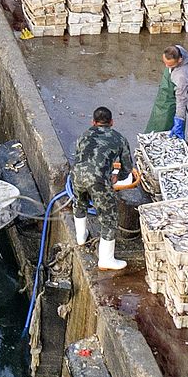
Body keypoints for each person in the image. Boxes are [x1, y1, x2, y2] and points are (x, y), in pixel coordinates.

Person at [70, 106, 133, 271]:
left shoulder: (83, 136)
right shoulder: (119, 138)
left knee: (79, 202)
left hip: (76, 174)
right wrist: (116, 177)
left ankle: (81, 237)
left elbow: (81, 157)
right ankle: (106, 260)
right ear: (111, 122)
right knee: (109, 218)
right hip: (98, 179)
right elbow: (127, 167)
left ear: (93, 122)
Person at [144, 46, 188, 137]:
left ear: (180, 60)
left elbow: (181, 100)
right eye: (165, 63)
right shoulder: (177, 49)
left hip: (170, 108)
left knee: (161, 133)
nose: (167, 67)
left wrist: (179, 120)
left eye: (170, 65)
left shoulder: (182, 77)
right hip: (162, 99)